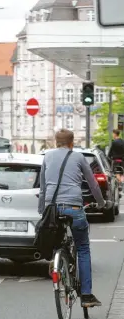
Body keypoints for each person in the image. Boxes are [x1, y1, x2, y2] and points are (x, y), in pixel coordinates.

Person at [38, 129, 106, 308]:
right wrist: (101, 203)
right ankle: (86, 295)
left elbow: (43, 187)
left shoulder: (47, 157)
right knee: (83, 248)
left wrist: (42, 210)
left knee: (57, 237)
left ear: (55, 142)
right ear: (71, 142)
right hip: (75, 207)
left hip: (52, 208)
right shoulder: (78, 158)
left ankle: (57, 258)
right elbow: (92, 183)